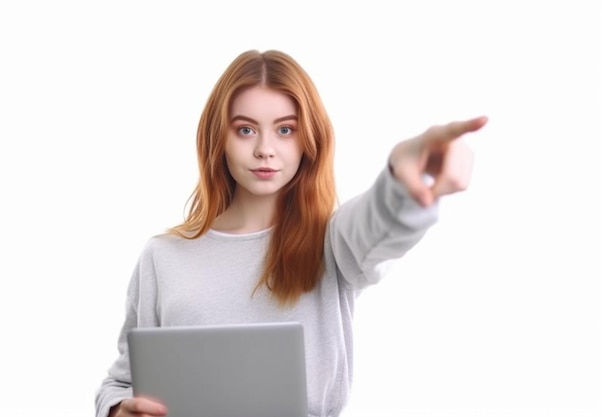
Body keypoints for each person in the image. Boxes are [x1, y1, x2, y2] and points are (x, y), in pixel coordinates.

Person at [95, 49, 487, 417]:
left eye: (285, 130)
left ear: (308, 141)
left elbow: (377, 224)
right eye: (246, 130)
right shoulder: (164, 257)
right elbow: (123, 381)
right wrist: (117, 410)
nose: (265, 149)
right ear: (219, 140)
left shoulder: (331, 244)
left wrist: (402, 183)